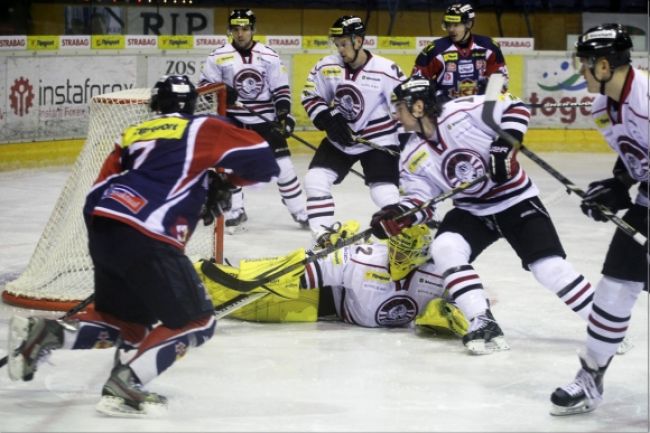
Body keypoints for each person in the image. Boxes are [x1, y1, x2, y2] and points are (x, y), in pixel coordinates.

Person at [6, 74, 281, 417]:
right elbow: (264, 162)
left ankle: (46, 334)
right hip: (148, 234)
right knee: (196, 320)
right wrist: (225, 182)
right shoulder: (204, 127)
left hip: (104, 225)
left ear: (155, 105)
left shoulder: (132, 134)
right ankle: (127, 383)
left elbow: (98, 188)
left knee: (128, 325)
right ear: (193, 104)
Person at [369, 76, 598, 355]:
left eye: (399, 108)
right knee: (445, 247)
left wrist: (504, 145)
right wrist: (400, 214)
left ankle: (603, 324)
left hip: (515, 200)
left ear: (417, 107)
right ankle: (482, 320)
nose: (395, 115)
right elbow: (422, 200)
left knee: (548, 268)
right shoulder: (411, 154)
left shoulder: (463, 110)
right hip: (471, 210)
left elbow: (515, 108)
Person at [549, 24, 648, 416]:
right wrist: (617, 186)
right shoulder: (601, 107)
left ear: (604, 65)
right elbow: (635, 158)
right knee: (614, 288)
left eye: (585, 66)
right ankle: (590, 378)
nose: (581, 73)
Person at [196, 221, 469, 336]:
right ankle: (195, 274)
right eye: (396, 250)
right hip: (324, 300)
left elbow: (465, 299)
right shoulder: (364, 258)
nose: (397, 259)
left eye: (406, 255)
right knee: (250, 297)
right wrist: (254, 281)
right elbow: (301, 271)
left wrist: (454, 314)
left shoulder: (436, 275)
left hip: (328, 315)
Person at [199, 8, 308, 230]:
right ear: (230, 30)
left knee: (284, 166)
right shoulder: (217, 56)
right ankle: (236, 209)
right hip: (234, 122)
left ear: (253, 30)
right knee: (231, 167)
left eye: (246, 29)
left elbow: (281, 89)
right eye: (236, 29)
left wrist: (284, 115)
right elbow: (204, 89)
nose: (241, 34)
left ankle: (300, 210)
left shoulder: (269, 55)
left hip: (264, 121)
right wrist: (220, 91)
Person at [301, 15, 405, 246]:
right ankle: (323, 238)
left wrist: (405, 148)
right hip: (341, 139)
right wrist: (328, 120)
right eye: (337, 44)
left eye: (344, 44)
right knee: (315, 178)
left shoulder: (386, 70)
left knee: (384, 191)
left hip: (378, 140)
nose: (340, 50)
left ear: (358, 41)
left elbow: (403, 109)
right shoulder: (327, 66)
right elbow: (310, 96)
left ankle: (404, 237)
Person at [411, 3, 508, 100]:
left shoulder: (489, 47)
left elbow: (501, 82)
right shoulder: (435, 49)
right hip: (445, 110)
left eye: (456, 25)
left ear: (469, 24)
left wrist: (488, 108)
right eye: (448, 25)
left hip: (478, 109)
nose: (451, 29)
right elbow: (416, 84)